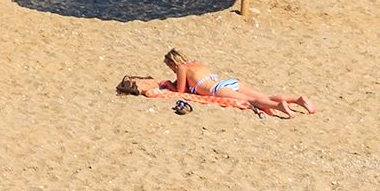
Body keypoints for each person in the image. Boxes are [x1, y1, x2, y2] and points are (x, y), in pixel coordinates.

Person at [118, 49, 306, 117]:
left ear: (173, 63)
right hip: (228, 82)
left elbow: (181, 91)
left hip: (217, 89)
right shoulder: (197, 63)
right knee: (263, 96)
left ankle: (280, 107)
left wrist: (168, 84)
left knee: (252, 102)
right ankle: (297, 100)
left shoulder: (182, 68)